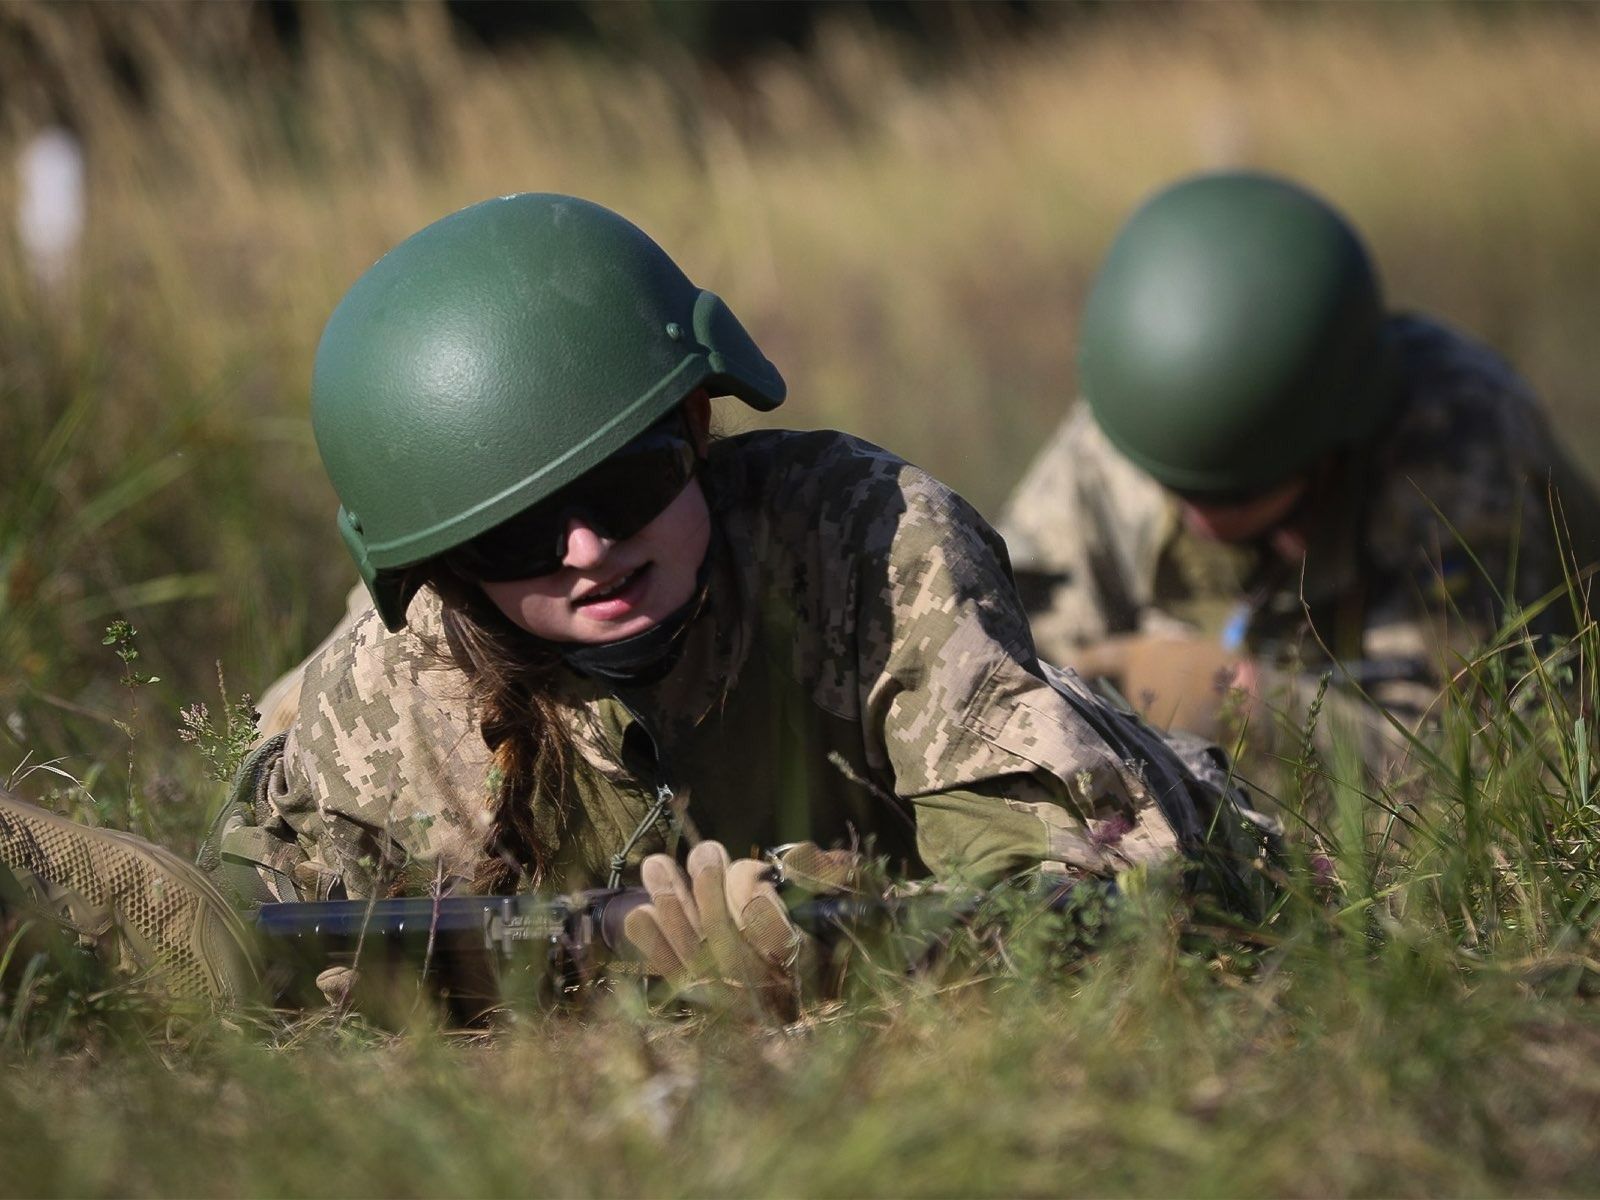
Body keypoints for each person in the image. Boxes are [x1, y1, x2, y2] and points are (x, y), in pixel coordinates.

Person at [2, 193, 1273, 1012]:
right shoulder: (397, 680)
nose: (585, 551)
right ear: (442, 566)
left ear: (699, 428)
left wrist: (822, 929)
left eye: (625, 482)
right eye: (511, 533)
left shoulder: (870, 547)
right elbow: (275, 937)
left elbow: (1081, 894)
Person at [997, 170, 1600, 748]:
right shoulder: (1134, 420)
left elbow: (1482, 760)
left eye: (1241, 492)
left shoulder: (1457, 441)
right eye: (1180, 489)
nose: (1203, 519)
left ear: (1327, 445)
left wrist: (1253, 707)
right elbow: (1015, 652)